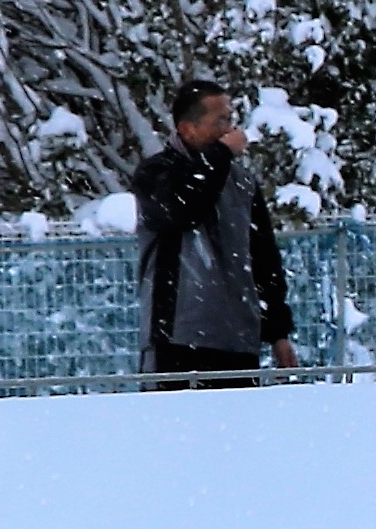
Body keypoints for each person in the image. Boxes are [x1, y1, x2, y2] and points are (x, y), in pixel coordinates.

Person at [128, 80, 298, 382]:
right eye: (219, 121)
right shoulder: (156, 174)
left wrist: (278, 332)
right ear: (187, 128)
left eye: (230, 120)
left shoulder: (242, 182)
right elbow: (181, 210)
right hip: (177, 340)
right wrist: (219, 156)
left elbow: (264, 258)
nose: (229, 130)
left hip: (238, 339)